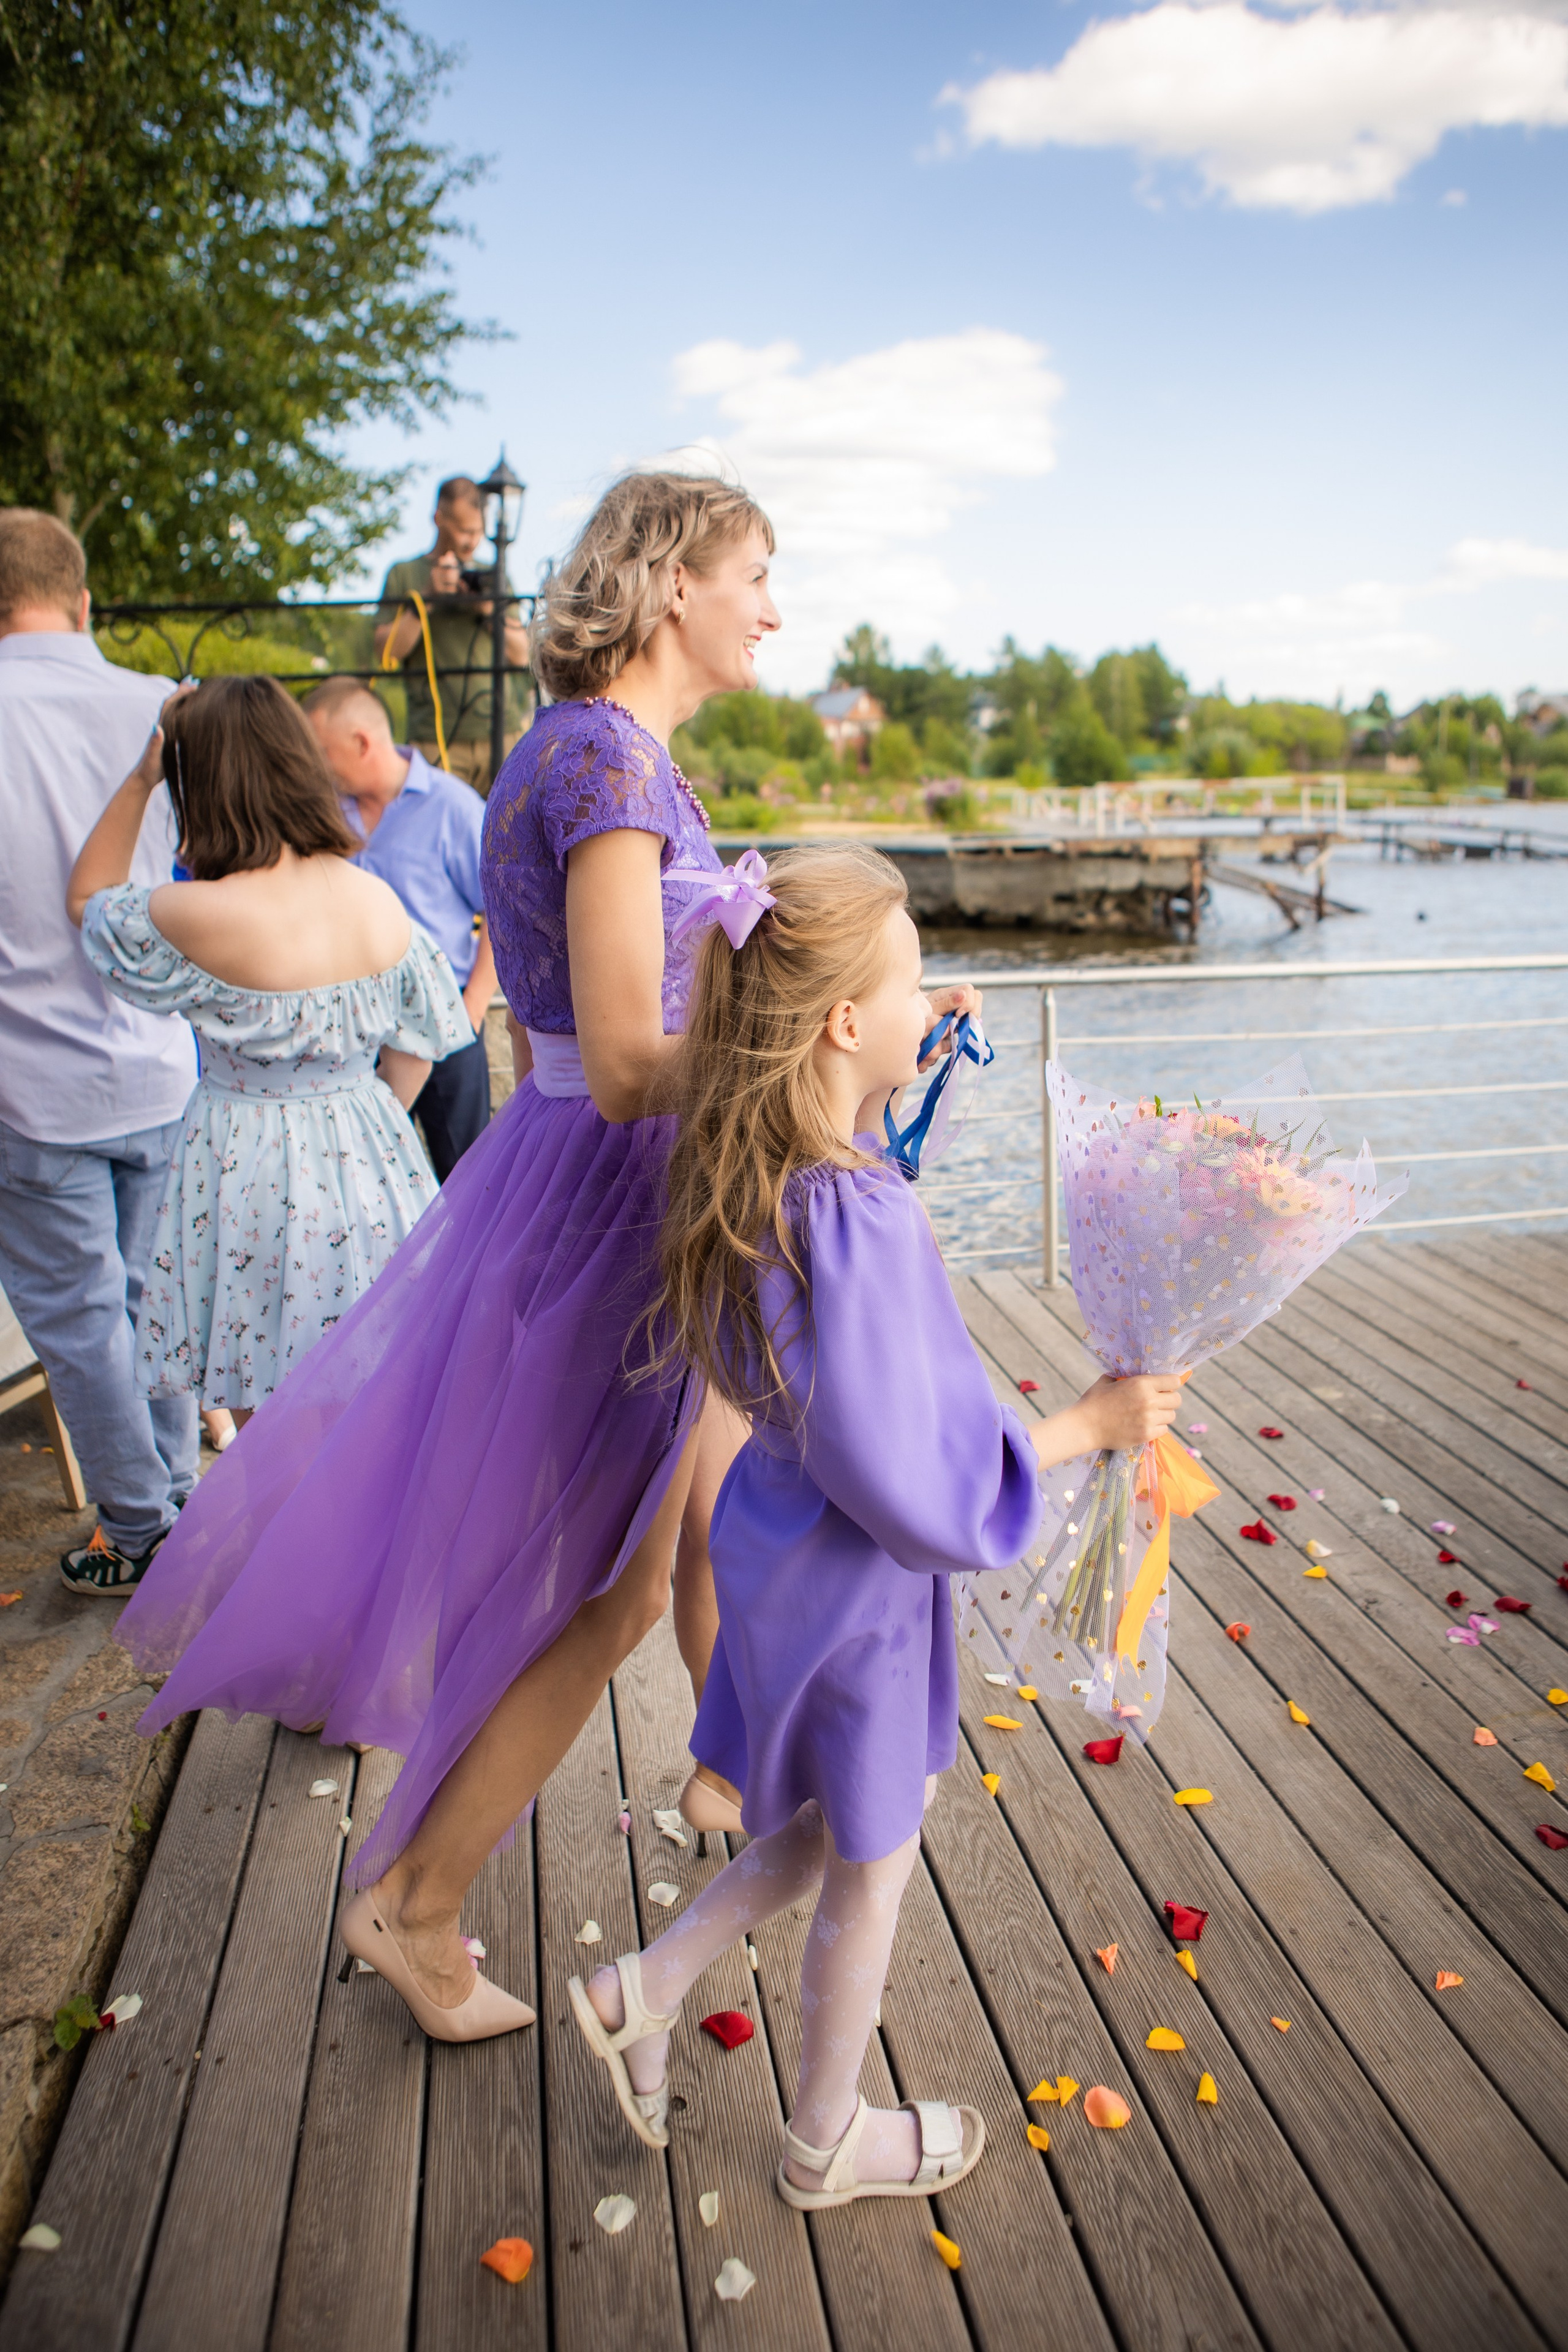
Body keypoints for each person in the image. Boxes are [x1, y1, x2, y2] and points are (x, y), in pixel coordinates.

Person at [115, 471, 981, 2046]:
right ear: (669, 588)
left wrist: (874, 1034)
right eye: (755, 575)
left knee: (642, 1563)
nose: (772, 608)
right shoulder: (608, 766)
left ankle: (536, 1851)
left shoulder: (590, 756)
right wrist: (811, 1085)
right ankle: (419, 1900)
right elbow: (633, 1056)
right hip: (610, 1189)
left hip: (584, 1179)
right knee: (607, 1582)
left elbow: (590, 1026)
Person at [570, 842, 1182, 2204]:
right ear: (843, 1019)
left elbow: (874, 1176)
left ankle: (645, 1989)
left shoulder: (763, 1169)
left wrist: (925, 1036)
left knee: (838, 1819)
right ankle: (824, 2138)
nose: (929, 997)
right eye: (907, 981)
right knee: (872, 1864)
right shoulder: (853, 1215)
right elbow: (909, 1462)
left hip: (784, 1537)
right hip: (858, 1578)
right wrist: (1081, 1428)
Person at [66, 673, 472, 1435]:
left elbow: (89, 899)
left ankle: (293, 1554)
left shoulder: (194, 914)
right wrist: (357, 1119)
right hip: (369, 1160)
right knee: (377, 1409)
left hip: (247, 1169)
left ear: (205, 785)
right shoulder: (376, 900)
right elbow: (423, 1041)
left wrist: (144, 773)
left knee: (273, 1430)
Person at [0, 508, 200, 1598]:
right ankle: (170, 1488)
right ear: (83, 602)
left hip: (26, 1077)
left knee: (80, 1317)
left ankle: (140, 1526)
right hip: (160, 1056)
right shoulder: (158, 711)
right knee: (151, 1296)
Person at [305, 677, 497, 1181]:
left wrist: (472, 1008)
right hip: (350, 1024)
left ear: (362, 743)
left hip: (446, 1018)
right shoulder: (321, 813)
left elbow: (503, 910)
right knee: (356, 1177)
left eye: (320, 752)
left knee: (466, 1180)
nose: (313, 766)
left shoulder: (453, 807)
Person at [374, 475, 531, 797]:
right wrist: (427, 599)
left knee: (512, 841)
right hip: (435, 739)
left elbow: (521, 654)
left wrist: (489, 609)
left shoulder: (492, 577)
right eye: (462, 530)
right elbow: (385, 652)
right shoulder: (405, 574)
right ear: (438, 519)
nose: (471, 541)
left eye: (477, 531)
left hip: (503, 732)